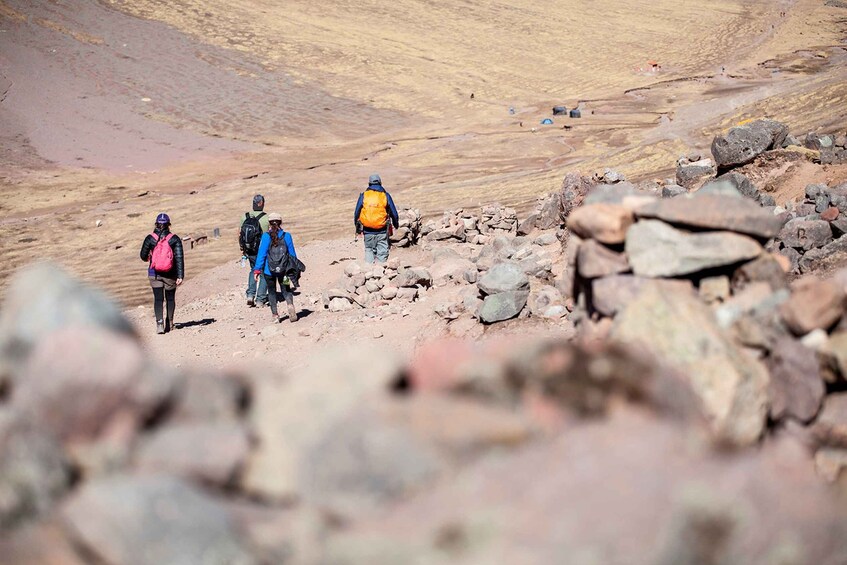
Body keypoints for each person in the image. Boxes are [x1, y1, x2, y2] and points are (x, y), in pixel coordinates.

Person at [140, 213, 184, 334]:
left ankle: (159, 324)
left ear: (156, 224)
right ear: (169, 224)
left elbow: (143, 256)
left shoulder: (150, 238)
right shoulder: (174, 239)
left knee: (158, 299)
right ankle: (169, 323)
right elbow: (179, 258)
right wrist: (180, 275)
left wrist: (150, 257)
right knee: (170, 298)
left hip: (154, 273)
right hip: (170, 274)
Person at [253, 212, 299, 323]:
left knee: (272, 292)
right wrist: (293, 269)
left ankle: (275, 315)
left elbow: (262, 254)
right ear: (280, 222)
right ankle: (290, 304)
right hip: (285, 271)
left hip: (269, 272)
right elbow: (292, 254)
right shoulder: (287, 236)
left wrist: (257, 270)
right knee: (286, 289)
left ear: (269, 223)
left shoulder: (265, 236)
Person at [354, 173, 399, 264]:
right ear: (380, 183)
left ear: (369, 184)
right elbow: (394, 212)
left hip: (367, 231)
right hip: (381, 230)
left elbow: (357, 212)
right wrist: (395, 223)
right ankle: (381, 273)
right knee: (382, 252)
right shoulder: (385, 196)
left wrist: (357, 226)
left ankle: (369, 272)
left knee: (369, 250)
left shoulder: (364, 195)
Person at [239, 194, 270, 307]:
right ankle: (260, 299)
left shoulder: (245, 216)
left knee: (253, 270)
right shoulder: (266, 218)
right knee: (263, 273)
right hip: (262, 250)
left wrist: (243, 249)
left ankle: (250, 295)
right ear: (261, 204)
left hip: (249, 249)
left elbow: (239, 234)